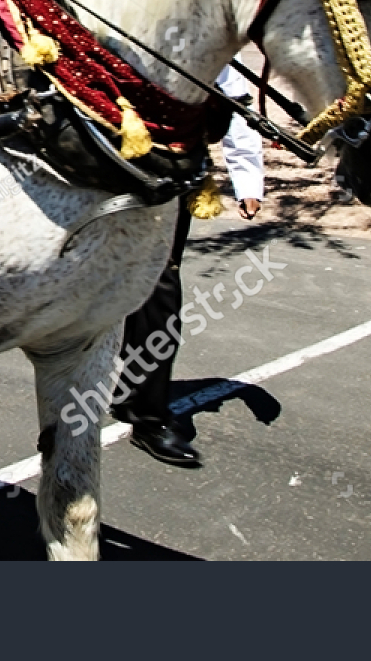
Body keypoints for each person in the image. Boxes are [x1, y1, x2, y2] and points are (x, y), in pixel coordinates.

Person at [112, 65, 265, 468]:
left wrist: (247, 178)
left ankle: (147, 415)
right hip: (104, 163)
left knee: (159, 287)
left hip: (170, 173)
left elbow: (233, 98)